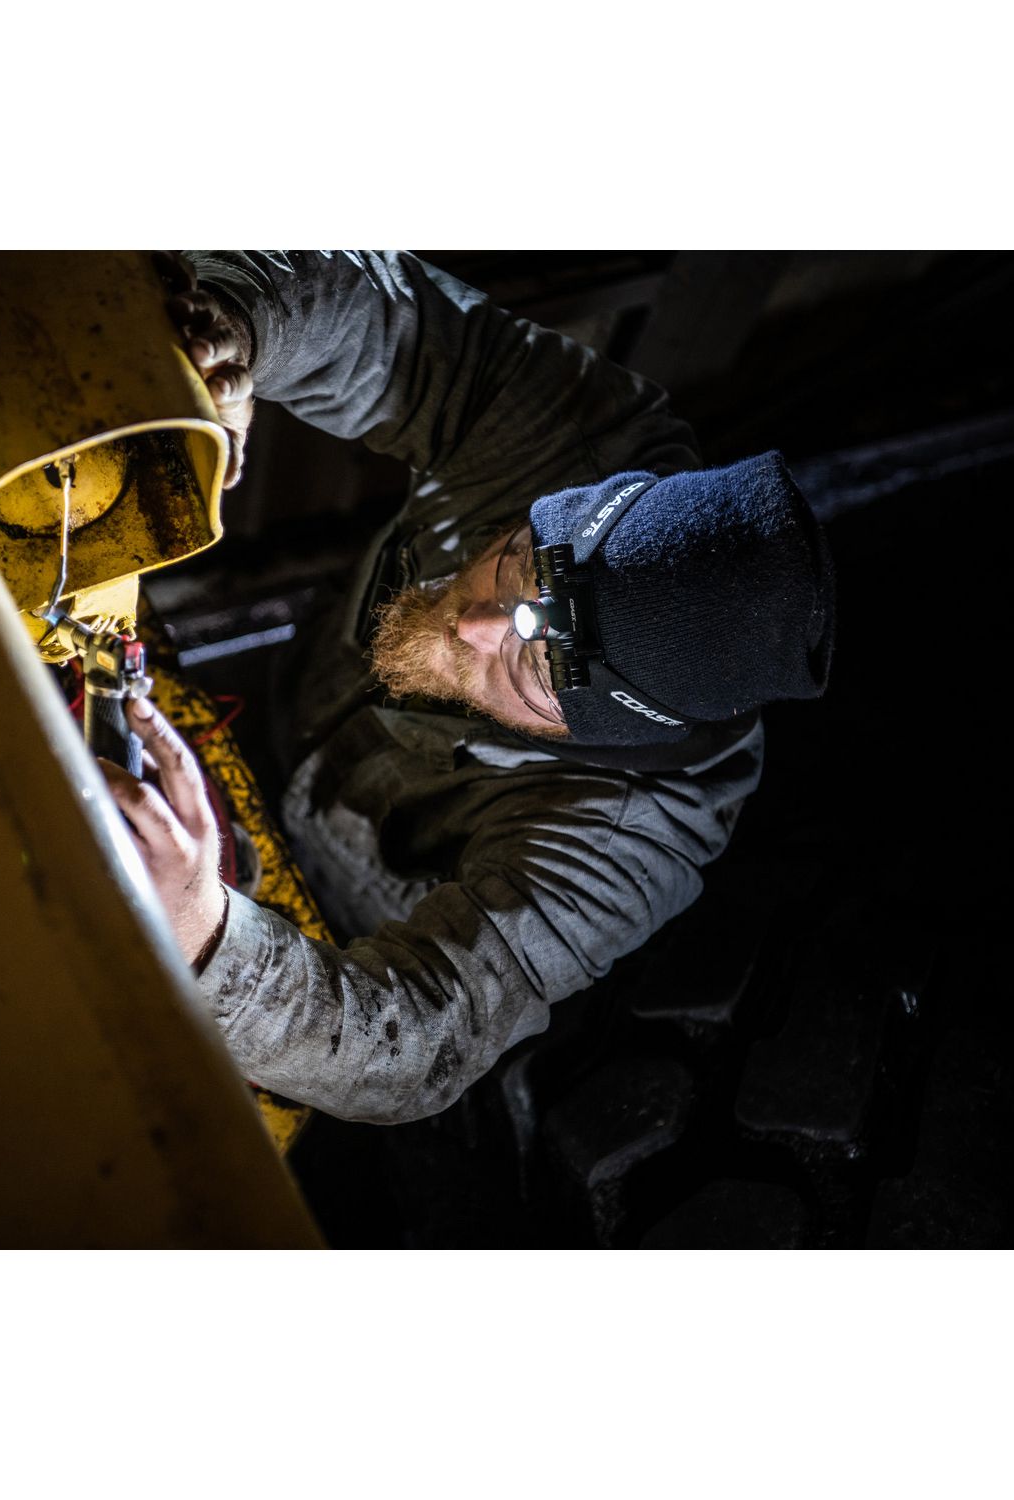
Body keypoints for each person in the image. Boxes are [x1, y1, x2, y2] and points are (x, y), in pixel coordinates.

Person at [98, 252, 835, 1126]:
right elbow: (379, 310)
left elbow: (415, 1043)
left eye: (529, 665)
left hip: (314, 934)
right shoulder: (581, 439)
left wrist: (210, 938)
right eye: (516, 562)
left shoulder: (629, 843)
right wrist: (237, 328)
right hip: (273, 708)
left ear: (595, 732)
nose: (471, 621)